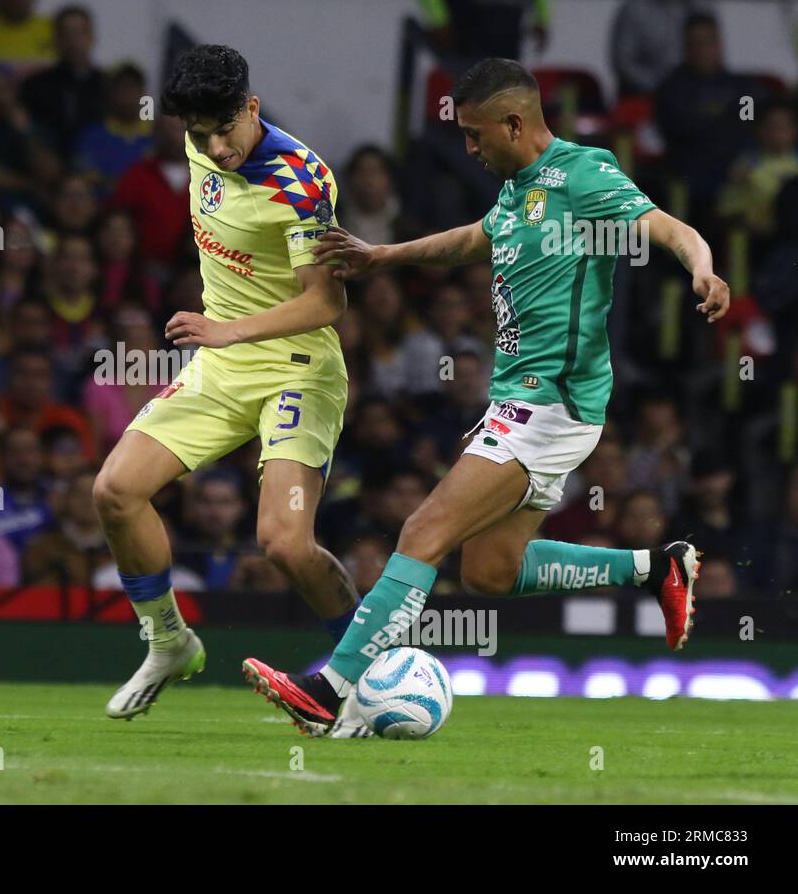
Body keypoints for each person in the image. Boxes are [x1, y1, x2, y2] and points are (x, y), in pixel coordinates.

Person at [244, 58, 731, 737]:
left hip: (554, 403)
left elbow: (669, 228)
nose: (468, 149)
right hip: (518, 403)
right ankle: (659, 566)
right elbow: (475, 239)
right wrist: (384, 256)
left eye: (475, 135)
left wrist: (703, 269)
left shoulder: (583, 174)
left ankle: (329, 688)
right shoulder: (515, 190)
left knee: (422, 531)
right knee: (490, 572)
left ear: (514, 122)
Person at [93, 45, 357, 719]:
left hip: (297, 368)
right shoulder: (201, 142)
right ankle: (169, 641)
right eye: (197, 133)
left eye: (224, 129)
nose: (215, 147)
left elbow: (327, 303)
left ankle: (367, 674)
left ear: (253, 108)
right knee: (116, 491)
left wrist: (228, 330)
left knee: (285, 543)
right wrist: (223, 341)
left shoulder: (300, 180)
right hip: (223, 369)